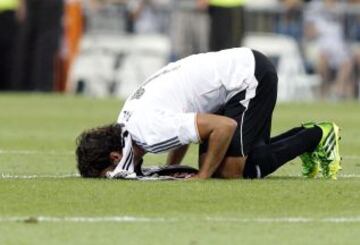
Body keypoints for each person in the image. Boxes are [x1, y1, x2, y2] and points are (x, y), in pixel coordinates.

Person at [76, 47, 342, 180]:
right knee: (241, 159)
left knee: (231, 171)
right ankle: (308, 137)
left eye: (109, 174)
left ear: (115, 157)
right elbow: (178, 129)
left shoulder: (147, 133)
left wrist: (201, 178)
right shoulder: (128, 124)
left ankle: (318, 135)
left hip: (248, 78)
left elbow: (223, 127)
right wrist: (172, 166)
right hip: (231, 79)